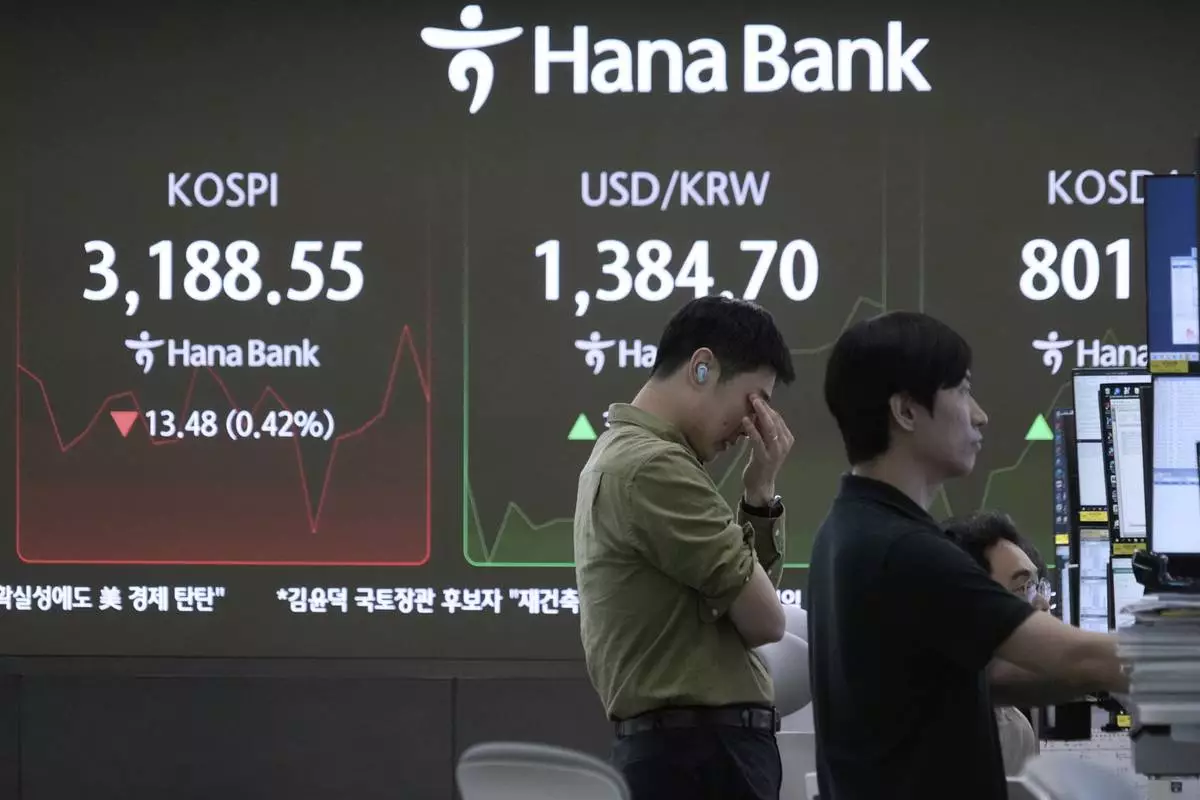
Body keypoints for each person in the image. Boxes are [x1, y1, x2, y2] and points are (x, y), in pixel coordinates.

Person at [806, 311, 1128, 800]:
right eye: (961, 390)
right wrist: (1171, 657)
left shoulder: (845, 529)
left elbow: (984, 681)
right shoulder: (909, 551)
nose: (979, 414)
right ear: (906, 411)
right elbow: (1075, 655)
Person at [574, 296, 797, 800]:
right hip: (700, 757)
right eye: (754, 400)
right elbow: (767, 621)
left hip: (691, 752)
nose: (751, 425)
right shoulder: (654, 467)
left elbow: (749, 613)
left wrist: (760, 493)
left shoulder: (633, 459)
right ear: (702, 367)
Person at [946, 510, 1053, 776]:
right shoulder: (904, 724)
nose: (1042, 604)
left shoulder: (1014, 730)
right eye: (1023, 587)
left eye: (1039, 587)